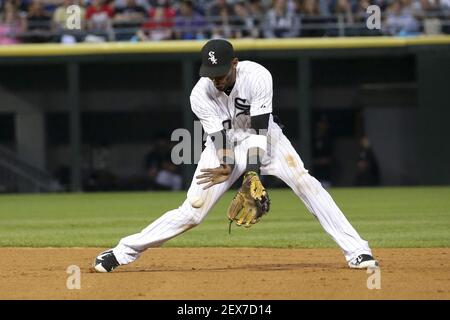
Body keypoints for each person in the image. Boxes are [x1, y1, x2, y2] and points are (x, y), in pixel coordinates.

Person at [93, 39, 378, 273]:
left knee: (306, 183)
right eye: (209, 73)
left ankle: (358, 251)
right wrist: (229, 165)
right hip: (224, 145)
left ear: (234, 63)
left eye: (220, 73)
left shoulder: (258, 76)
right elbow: (218, 137)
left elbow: (259, 130)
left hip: (267, 139)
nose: (215, 79)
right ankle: (122, 252)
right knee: (192, 212)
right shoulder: (199, 94)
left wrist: (252, 172)